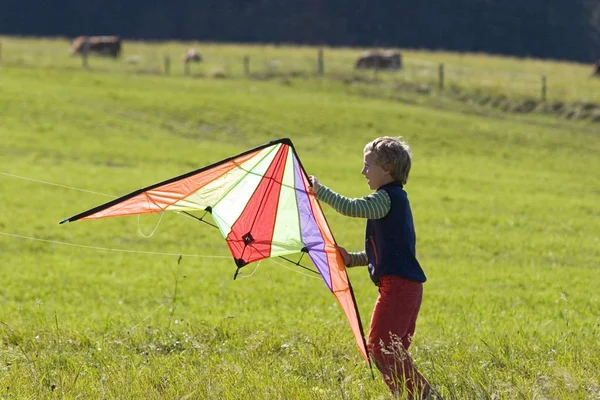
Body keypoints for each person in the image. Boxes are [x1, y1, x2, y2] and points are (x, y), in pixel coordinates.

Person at [309, 136, 434, 399]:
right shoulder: (392, 200)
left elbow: (351, 207)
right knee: (391, 352)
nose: (363, 171)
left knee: (380, 348)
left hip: (399, 288)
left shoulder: (386, 198)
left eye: (368, 165)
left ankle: (422, 396)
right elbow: (383, 252)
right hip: (402, 286)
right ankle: (410, 395)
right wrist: (352, 259)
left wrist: (320, 191)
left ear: (387, 168)